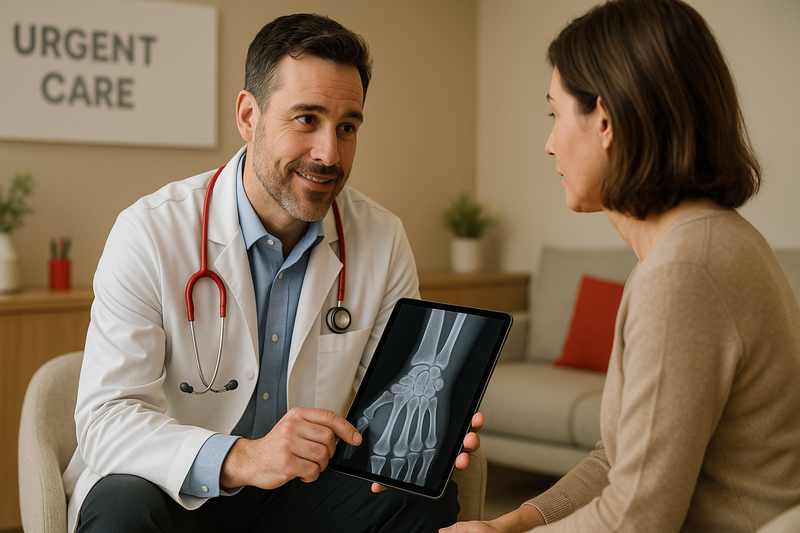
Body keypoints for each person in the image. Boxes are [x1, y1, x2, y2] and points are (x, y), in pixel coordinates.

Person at [62, 13, 480, 533]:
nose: (329, 152)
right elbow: (106, 421)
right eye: (306, 119)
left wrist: (428, 426)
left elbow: (390, 395)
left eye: (347, 126)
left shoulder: (382, 237)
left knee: (421, 501)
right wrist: (241, 457)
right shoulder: (149, 232)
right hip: (173, 488)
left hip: (298, 495)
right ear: (248, 115)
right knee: (122, 510)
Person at [442, 0, 800, 531]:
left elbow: (636, 519)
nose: (548, 144)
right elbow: (615, 460)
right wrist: (512, 523)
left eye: (554, 114)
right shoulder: (693, 247)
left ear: (605, 120)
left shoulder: (684, 272)